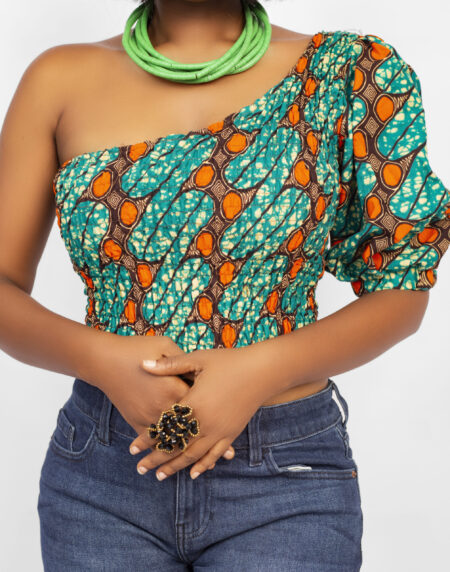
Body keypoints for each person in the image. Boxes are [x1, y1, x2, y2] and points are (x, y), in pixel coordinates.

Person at [0, 0, 448, 569]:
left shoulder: (349, 73)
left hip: (284, 479)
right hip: (102, 474)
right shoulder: (57, 79)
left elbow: (402, 290)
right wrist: (101, 360)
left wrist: (258, 372)